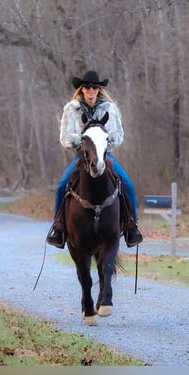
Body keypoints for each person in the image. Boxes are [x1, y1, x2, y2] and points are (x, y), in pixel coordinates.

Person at [46, 70, 144, 249]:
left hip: (105, 155)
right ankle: (58, 228)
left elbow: (118, 135)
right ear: (82, 89)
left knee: (127, 184)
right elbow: (65, 137)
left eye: (94, 87)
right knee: (62, 186)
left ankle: (131, 226)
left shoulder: (109, 108)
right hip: (81, 156)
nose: (91, 90)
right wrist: (83, 140)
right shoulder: (71, 108)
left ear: (99, 89)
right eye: (87, 87)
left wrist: (103, 138)